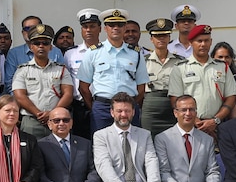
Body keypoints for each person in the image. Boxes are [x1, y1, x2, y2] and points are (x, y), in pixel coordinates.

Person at [76, 9, 148, 133]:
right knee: (102, 146)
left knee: (131, 145)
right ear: (105, 28)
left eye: (120, 25)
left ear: (125, 27)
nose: (116, 28)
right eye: (111, 25)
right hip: (103, 108)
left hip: (128, 107)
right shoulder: (93, 52)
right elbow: (83, 87)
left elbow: (141, 87)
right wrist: (94, 107)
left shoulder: (135, 53)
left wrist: (131, 105)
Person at [165, 24, 236, 139]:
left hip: (218, 126)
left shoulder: (223, 67)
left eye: (206, 41)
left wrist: (215, 120)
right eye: (199, 41)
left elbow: (231, 97)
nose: (203, 44)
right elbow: (175, 99)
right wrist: (196, 122)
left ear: (211, 41)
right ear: (191, 42)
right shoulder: (180, 68)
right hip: (190, 126)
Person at [10, 23, 75, 140]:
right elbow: (19, 96)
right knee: (30, 155)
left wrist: (52, 114)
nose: (41, 46)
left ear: (50, 47)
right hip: (31, 121)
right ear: (31, 47)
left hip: (57, 121)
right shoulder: (22, 70)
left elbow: (68, 94)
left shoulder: (61, 69)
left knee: (57, 155)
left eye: (45, 43)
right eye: (36, 43)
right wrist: (37, 113)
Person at [62, 8, 103, 139]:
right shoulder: (71, 54)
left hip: (102, 104)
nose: (88, 30)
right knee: (81, 143)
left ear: (100, 29)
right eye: (85, 27)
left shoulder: (107, 51)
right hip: (79, 107)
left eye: (92, 26)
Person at [140, 18, 180, 138]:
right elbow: (140, 89)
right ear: (151, 39)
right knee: (148, 141)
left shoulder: (180, 61)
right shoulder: (143, 61)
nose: (161, 39)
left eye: (164, 35)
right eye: (157, 36)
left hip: (173, 107)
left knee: (174, 143)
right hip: (151, 109)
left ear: (169, 38)